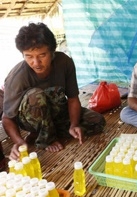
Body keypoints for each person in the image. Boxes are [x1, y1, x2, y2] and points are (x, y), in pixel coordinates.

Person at [2, 22, 106, 161]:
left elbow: (73, 99)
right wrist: (19, 142)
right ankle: (46, 138)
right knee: (35, 95)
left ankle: (43, 133)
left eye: (42, 55)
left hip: (57, 113)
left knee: (97, 122)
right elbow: (7, 119)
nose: (36, 62)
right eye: (29, 56)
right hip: (32, 119)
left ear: (52, 52)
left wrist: (74, 124)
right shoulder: (18, 77)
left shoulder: (64, 62)